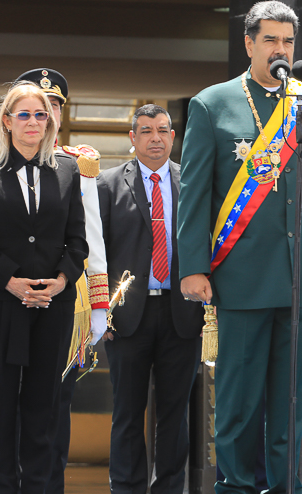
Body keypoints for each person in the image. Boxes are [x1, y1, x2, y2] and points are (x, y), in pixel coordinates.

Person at [177, 0, 302, 493]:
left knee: (290, 401)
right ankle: (235, 486)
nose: (279, 49)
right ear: (248, 43)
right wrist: (193, 266)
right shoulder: (214, 103)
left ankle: (286, 486)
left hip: (300, 275)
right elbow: (196, 195)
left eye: (287, 41)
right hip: (241, 274)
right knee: (238, 400)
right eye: (269, 39)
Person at [0, 68, 109, 493]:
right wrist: (11, 281)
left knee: (44, 409)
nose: (32, 122)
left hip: (54, 305)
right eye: (23, 114)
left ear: (51, 121)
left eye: (41, 115)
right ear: (6, 120)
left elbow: (78, 240)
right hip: (0, 304)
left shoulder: (67, 169)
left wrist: (64, 280)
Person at [97, 104, 204, 493]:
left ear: (174, 137)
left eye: (162, 130)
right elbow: (96, 253)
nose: (155, 138)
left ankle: (170, 488)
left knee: (175, 414)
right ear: (133, 138)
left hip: (182, 314)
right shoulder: (107, 185)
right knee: (127, 412)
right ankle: (125, 487)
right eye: (145, 131)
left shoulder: (192, 182)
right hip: (126, 317)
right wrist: (100, 313)